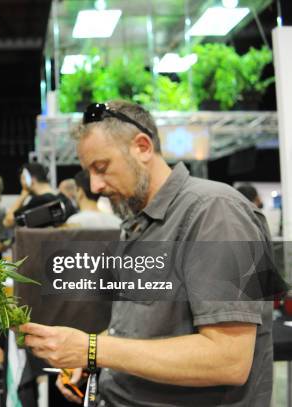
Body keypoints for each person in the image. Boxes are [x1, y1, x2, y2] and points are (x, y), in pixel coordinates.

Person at [20, 101, 278, 406]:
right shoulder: (137, 225)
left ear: (142, 147)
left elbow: (228, 358)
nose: (95, 185)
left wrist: (93, 348)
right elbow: (145, 328)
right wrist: (91, 356)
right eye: (88, 172)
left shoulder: (214, 212)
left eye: (101, 168)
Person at [3, 163, 76, 228]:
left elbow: (8, 222)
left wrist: (23, 195)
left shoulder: (39, 201)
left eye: (23, 178)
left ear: (30, 180)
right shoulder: (64, 198)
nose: (21, 183)